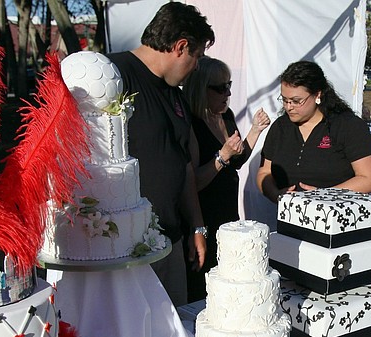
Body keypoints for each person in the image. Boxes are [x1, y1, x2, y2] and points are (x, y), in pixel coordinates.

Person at [107, 2, 214, 306]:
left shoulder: (175, 95)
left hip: (170, 239)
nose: (196, 67)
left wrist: (196, 225)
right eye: (197, 56)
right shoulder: (113, 75)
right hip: (125, 250)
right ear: (181, 46)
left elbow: (183, 165)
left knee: (174, 326)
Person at [182, 56, 271, 301]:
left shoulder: (225, 115)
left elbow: (237, 161)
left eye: (229, 85)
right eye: (220, 88)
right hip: (203, 215)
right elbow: (194, 182)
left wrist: (255, 131)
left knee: (228, 280)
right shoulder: (192, 123)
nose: (228, 93)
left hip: (227, 213)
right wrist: (222, 156)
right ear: (201, 89)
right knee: (203, 286)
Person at [257, 60, 371, 203]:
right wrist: (276, 195)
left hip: (337, 213)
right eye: (284, 100)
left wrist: (323, 195)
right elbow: (264, 172)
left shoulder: (347, 125)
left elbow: (370, 179)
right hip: (289, 214)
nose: (289, 107)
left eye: (296, 101)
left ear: (317, 95)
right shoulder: (281, 127)